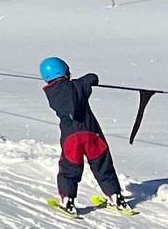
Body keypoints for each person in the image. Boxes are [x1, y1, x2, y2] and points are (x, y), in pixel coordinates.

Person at [40, 58, 132, 215]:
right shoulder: (78, 85)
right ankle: (116, 198)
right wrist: (85, 82)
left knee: (69, 168)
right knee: (102, 166)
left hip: (71, 138)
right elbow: (92, 77)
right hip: (92, 134)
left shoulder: (51, 93)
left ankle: (68, 201)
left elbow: (67, 94)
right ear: (65, 71)